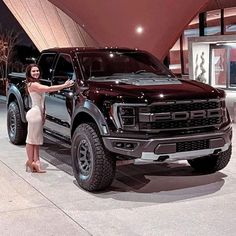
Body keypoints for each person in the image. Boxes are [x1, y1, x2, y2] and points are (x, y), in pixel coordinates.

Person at [25, 64, 74, 173]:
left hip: (38, 114)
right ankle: (30, 161)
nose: (36, 73)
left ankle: (36, 162)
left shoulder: (37, 83)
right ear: (29, 73)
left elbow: (42, 101)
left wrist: (44, 113)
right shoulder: (32, 84)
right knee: (31, 140)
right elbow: (49, 89)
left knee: (36, 140)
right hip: (34, 114)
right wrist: (64, 85)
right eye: (33, 71)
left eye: (37, 70)